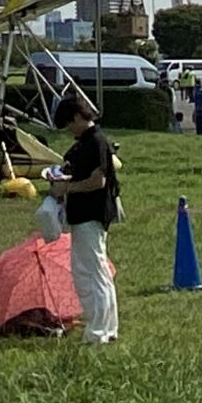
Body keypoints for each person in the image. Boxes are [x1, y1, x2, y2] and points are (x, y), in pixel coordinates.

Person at [48, 97, 120, 346]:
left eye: (69, 125)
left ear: (78, 117)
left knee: (94, 272)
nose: (69, 130)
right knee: (90, 271)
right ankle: (106, 327)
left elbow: (97, 181)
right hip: (83, 214)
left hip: (91, 213)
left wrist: (66, 187)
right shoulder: (86, 142)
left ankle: (99, 332)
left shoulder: (96, 142)